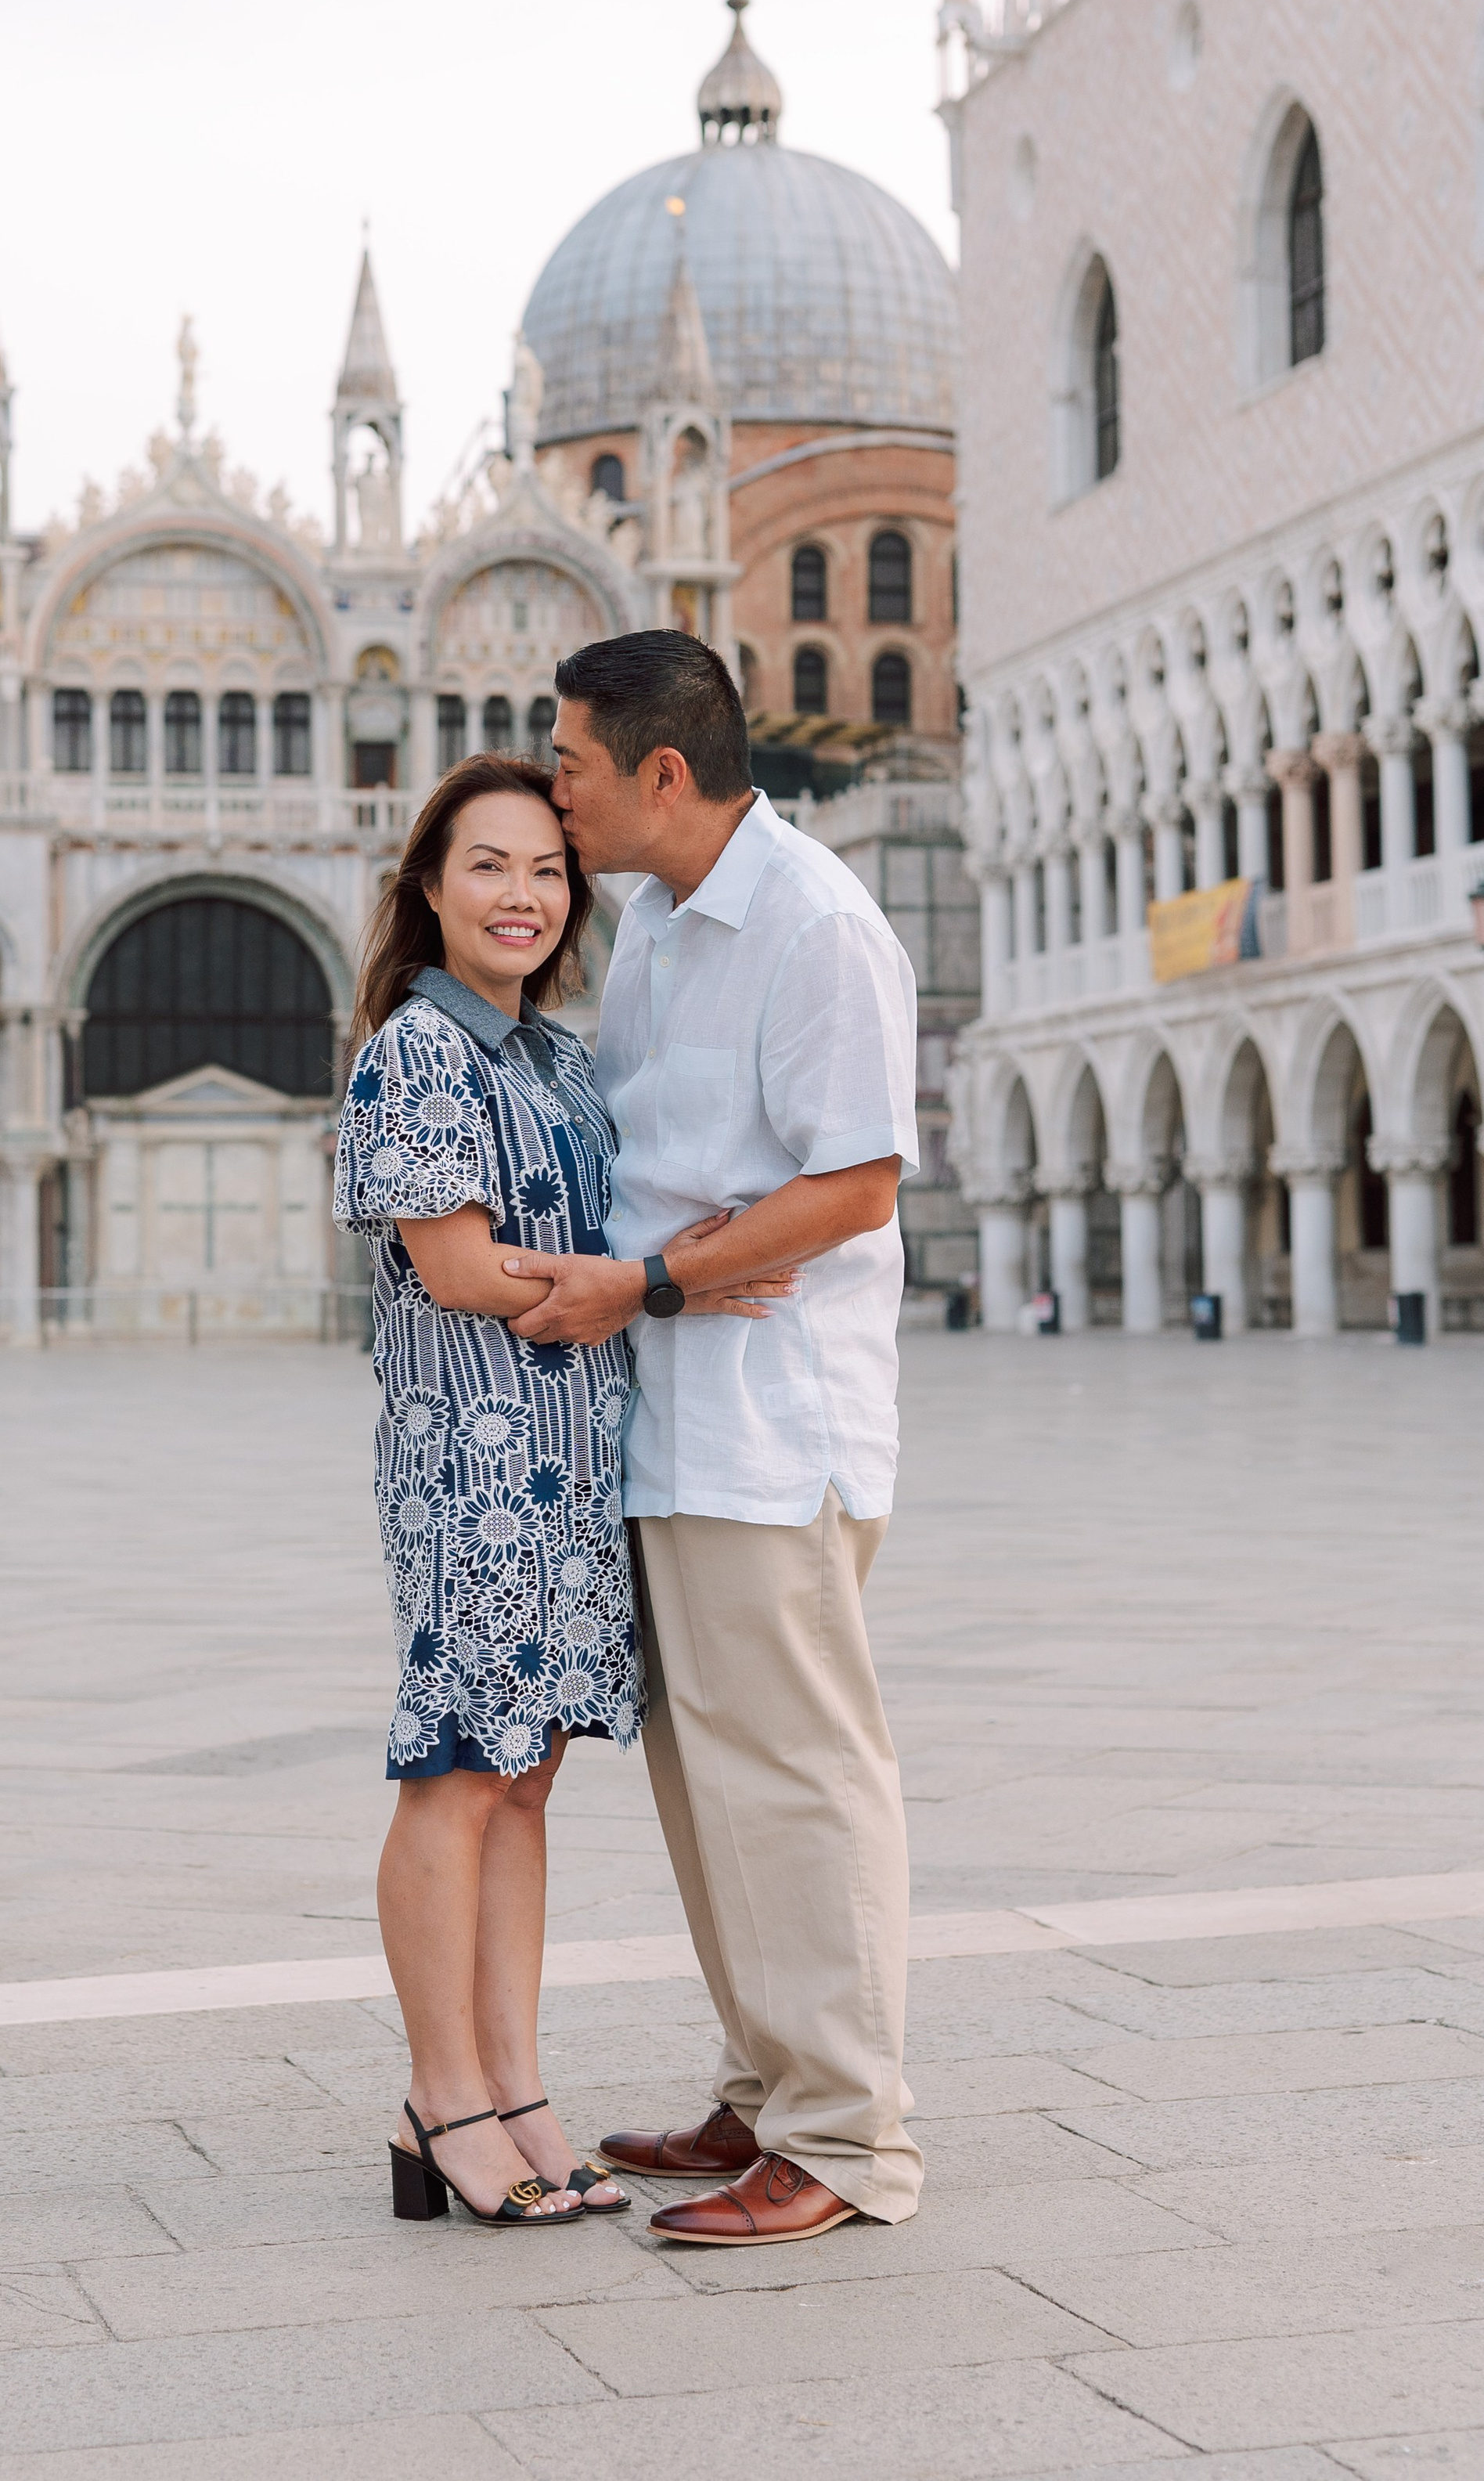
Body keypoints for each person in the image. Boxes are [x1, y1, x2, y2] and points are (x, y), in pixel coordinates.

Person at [499, 629, 924, 2247]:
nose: (556, 793)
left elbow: (855, 1182)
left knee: (799, 1779)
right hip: (664, 1412)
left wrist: (667, 1274)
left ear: (659, 774)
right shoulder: (660, 923)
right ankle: (764, 2086)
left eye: (572, 766)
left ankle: (844, 2136)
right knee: (711, 1787)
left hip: (767, 1420)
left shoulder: (814, 924)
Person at [333, 752, 792, 2231]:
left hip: (573, 1462)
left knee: (523, 1780)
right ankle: (440, 2098)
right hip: (475, 1467)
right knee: (456, 1772)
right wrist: (646, 1291)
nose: (522, 895)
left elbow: (622, 1227)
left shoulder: (554, 1058)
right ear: (428, 889)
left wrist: (677, 1270)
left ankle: (518, 2092)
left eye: (545, 869)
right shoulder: (417, 1052)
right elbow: (456, 1270)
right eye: (488, 867)